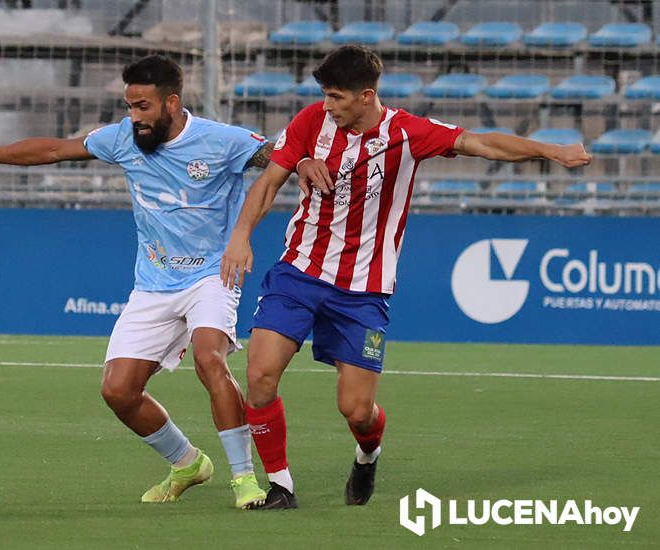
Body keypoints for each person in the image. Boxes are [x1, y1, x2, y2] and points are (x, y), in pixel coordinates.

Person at [220, 45, 592, 509]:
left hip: (363, 290)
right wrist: (241, 235)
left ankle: (368, 453)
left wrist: (550, 151)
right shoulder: (312, 121)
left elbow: (482, 143)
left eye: (336, 97)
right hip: (298, 272)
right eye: (325, 96)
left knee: (356, 409)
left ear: (365, 96)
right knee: (259, 376)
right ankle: (281, 485)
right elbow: (269, 181)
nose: (327, 105)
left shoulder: (407, 133)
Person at [0, 55, 275, 509]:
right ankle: (188, 463)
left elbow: (279, 157)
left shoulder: (221, 141)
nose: (134, 116)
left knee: (209, 359)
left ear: (172, 103)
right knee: (118, 390)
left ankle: (244, 481)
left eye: (143, 107)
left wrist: (301, 169)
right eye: (129, 106)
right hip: (154, 283)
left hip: (211, 275)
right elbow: (54, 150)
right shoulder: (123, 139)